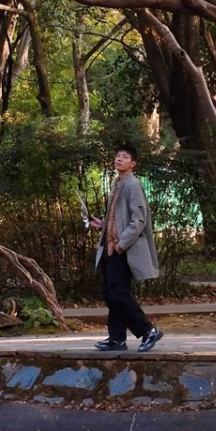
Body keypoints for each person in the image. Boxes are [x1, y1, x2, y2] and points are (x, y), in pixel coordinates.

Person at [90, 143, 164, 354]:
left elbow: (138, 220)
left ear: (133, 163)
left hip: (122, 248)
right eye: (118, 155)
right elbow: (118, 219)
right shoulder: (118, 184)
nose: (119, 158)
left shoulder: (132, 185)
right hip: (110, 246)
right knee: (110, 293)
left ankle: (148, 330)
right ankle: (116, 338)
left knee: (118, 293)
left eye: (125, 156)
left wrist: (121, 245)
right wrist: (101, 224)